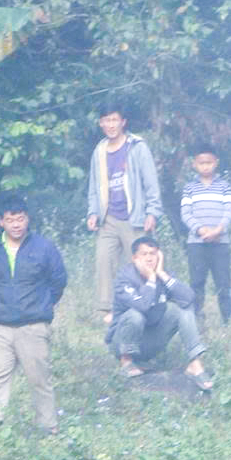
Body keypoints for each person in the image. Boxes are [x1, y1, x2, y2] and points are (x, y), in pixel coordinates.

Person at [0, 197, 68, 438]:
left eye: (21, 218)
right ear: (1, 222)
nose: (16, 224)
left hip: (33, 325)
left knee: (39, 378)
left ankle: (48, 426)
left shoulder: (44, 247)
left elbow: (58, 281)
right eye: (10, 219)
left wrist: (41, 305)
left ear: (28, 219)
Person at [85, 106, 162, 326]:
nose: (110, 125)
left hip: (134, 216)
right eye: (106, 121)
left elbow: (151, 182)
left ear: (123, 122)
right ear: (101, 123)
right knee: (104, 260)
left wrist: (152, 212)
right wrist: (93, 212)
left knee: (141, 263)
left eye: (114, 120)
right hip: (107, 218)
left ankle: (146, 306)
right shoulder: (99, 151)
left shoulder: (137, 147)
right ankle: (109, 310)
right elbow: (94, 187)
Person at [106, 237, 212, 389]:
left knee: (181, 308)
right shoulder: (124, 278)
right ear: (135, 258)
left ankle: (195, 363)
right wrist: (151, 279)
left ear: (159, 256)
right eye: (144, 254)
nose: (149, 258)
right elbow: (142, 306)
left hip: (148, 343)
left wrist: (161, 273)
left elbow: (189, 299)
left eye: (153, 254)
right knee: (136, 315)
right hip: (121, 342)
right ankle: (126, 361)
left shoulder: (163, 274)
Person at [180, 145, 231, 325]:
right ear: (194, 164)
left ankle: (228, 316)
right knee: (197, 281)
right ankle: (196, 316)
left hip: (220, 242)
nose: (205, 166)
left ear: (216, 163)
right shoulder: (189, 188)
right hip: (196, 242)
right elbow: (186, 213)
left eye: (209, 163)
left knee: (223, 281)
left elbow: (229, 211)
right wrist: (201, 230)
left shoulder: (224, 186)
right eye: (201, 163)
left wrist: (218, 230)